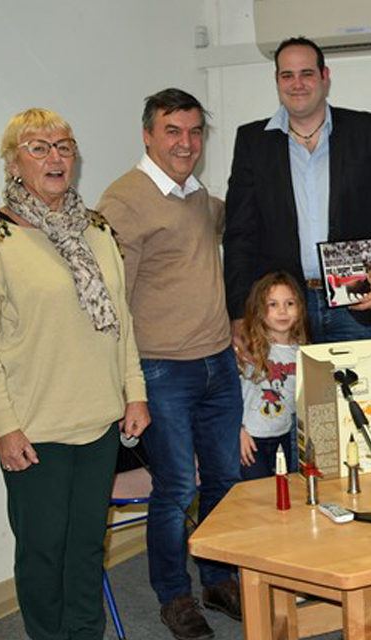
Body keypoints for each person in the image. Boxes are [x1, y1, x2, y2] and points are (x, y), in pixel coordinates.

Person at [0, 108, 149, 640]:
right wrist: (3, 426)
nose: (55, 157)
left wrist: (135, 394)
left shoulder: (98, 230)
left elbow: (122, 322)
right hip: (34, 431)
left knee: (87, 547)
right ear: (14, 163)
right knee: (43, 553)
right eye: (38, 147)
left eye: (63, 146)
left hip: (100, 421)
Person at [96, 88, 243, 640]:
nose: (186, 143)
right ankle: (173, 595)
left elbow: (233, 232)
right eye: (173, 131)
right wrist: (128, 386)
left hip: (216, 364)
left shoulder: (196, 192)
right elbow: (112, 301)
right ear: (148, 134)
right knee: (178, 487)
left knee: (225, 481)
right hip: (161, 371)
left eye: (195, 131)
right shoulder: (124, 201)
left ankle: (218, 577)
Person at [224, 36, 371, 347]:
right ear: (276, 81)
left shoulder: (364, 130)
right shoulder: (252, 142)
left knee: (357, 398)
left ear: (324, 78)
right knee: (290, 398)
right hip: (283, 311)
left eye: (307, 74)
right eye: (287, 75)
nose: (297, 83)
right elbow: (239, 235)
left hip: (354, 307)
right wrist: (238, 313)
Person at [238, 271, 307, 479]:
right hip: (250, 438)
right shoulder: (248, 349)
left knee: (282, 493)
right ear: (259, 310)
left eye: (289, 303)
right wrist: (238, 431)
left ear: (300, 308)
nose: (282, 311)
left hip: (284, 437)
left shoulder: (303, 351)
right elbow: (229, 396)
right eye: (273, 304)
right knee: (256, 498)